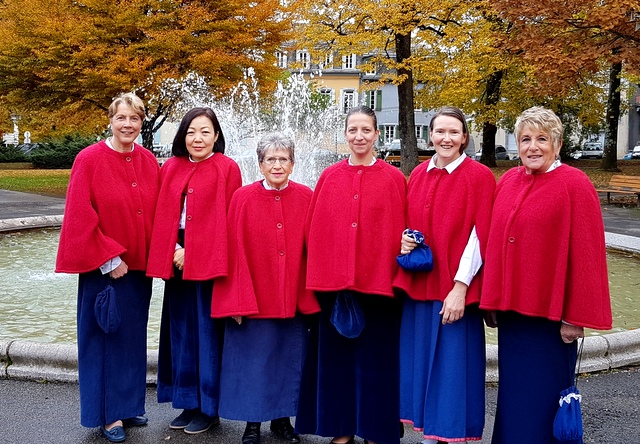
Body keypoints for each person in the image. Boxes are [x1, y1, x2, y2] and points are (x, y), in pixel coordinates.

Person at [480, 106, 612, 444]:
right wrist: (493, 296)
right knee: (513, 401)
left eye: (542, 139)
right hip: (514, 318)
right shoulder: (509, 180)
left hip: (550, 322)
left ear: (557, 143)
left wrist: (575, 316)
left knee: (541, 405)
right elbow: (495, 242)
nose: (533, 147)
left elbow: (587, 256)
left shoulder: (575, 184)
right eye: (526, 139)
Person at [295, 105, 407, 444]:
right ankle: (340, 428)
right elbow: (314, 231)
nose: (359, 136)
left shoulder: (393, 178)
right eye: (352, 130)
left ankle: (375, 429)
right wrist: (318, 280)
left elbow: (404, 228)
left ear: (376, 134)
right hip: (335, 289)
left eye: (366, 130)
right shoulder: (329, 176)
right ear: (345, 135)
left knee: (378, 365)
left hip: (379, 287)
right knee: (337, 365)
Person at [55, 93, 160, 443]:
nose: (127, 125)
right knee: (103, 340)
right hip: (105, 271)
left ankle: (128, 405)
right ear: (111, 121)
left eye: (134, 118)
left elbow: (157, 211)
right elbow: (79, 214)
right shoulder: (89, 159)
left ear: (141, 122)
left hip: (138, 271)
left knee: (131, 340)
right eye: (121, 118)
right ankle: (107, 414)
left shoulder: (147, 160)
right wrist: (108, 258)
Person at [393, 106, 495, 443]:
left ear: (464, 137)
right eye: (440, 132)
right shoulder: (419, 173)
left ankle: (450, 433)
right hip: (422, 283)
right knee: (422, 364)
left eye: (454, 132)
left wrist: (460, 287)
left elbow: (480, 236)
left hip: (454, 287)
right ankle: (428, 433)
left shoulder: (478, 176)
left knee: (453, 369)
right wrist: (407, 239)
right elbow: (413, 223)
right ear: (430, 135)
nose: (446, 138)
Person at [211, 133, 320, 444]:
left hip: (292, 296)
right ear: (259, 164)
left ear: (293, 164)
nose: (276, 164)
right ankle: (252, 423)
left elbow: (314, 248)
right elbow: (233, 250)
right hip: (254, 298)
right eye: (270, 159)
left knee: (287, 360)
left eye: (283, 159)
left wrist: (313, 294)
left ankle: (282, 421)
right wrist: (236, 301)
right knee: (253, 362)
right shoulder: (242, 198)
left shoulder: (305, 196)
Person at [146, 107, 242, 435]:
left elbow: (229, 222)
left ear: (216, 136)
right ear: (182, 136)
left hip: (209, 262)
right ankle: (186, 401)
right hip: (176, 255)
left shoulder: (227, 168)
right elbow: (162, 214)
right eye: (191, 132)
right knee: (180, 333)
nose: (197, 138)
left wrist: (194, 253)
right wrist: (174, 249)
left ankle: (209, 408)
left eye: (205, 131)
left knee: (206, 334)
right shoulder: (171, 167)